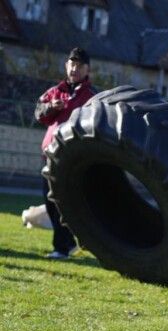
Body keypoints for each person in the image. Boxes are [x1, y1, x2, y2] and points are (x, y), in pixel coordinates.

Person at [35, 47, 96, 259]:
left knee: (68, 202)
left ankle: (64, 247)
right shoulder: (55, 91)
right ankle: (66, 245)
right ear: (66, 66)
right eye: (71, 64)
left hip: (73, 158)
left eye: (79, 65)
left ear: (88, 69)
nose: (74, 69)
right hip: (49, 155)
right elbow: (39, 114)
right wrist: (52, 107)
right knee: (50, 202)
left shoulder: (92, 97)